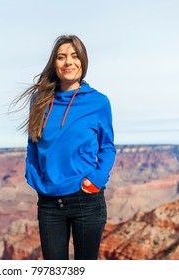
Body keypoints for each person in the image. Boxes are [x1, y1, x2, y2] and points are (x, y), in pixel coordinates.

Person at [12, 35, 116, 260]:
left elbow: (107, 147)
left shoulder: (98, 102)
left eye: (74, 56)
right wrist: (33, 175)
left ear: (83, 62)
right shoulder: (39, 100)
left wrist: (97, 180)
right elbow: (33, 143)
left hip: (86, 198)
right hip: (49, 201)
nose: (68, 62)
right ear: (54, 63)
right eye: (61, 57)